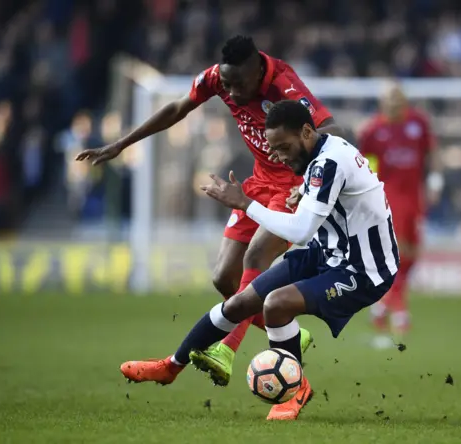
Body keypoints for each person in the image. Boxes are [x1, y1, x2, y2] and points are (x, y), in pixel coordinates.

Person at [76, 36, 342, 385]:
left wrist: (308, 184)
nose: (230, 93)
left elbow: (332, 131)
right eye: (226, 85)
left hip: (292, 188)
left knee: (256, 258)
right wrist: (122, 143)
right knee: (223, 278)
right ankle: (289, 332)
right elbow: (177, 108)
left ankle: (226, 350)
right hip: (259, 184)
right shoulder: (218, 77)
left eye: (239, 85)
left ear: (257, 70)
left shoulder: (284, 84)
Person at [119, 100, 398, 421]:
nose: (278, 156)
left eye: (283, 147)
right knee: (240, 302)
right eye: (273, 150)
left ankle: (294, 393)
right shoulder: (322, 151)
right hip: (328, 252)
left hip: (364, 269)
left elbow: (302, 230)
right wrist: (303, 194)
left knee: (276, 304)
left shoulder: (328, 162)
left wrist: (245, 203)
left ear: (307, 131)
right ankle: (171, 366)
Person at [357, 82, 441, 348]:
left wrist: (436, 180)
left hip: (415, 197)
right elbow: (365, 165)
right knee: (398, 253)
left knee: (413, 255)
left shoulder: (418, 123)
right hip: (388, 197)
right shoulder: (372, 130)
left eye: (398, 99)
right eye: (389, 100)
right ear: (383, 103)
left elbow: (432, 153)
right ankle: (401, 313)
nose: (394, 104)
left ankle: (381, 307)